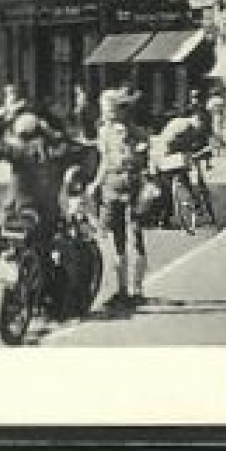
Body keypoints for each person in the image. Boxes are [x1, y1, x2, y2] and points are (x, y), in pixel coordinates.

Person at [0, 104, 96, 317]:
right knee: (50, 259)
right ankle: (49, 304)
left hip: (11, 217)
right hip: (43, 219)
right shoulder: (60, 152)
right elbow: (90, 151)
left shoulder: (19, 152)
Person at [88, 94, 152, 311]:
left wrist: (145, 182)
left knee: (135, 234)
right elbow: (104, 161)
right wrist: (96, 183)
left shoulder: (137, 132)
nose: (105, 112)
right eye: (104, 108)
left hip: (133, 185)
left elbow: (143, 162)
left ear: (119, 110)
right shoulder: (104, 132)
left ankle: (137, 289)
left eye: (108, 108)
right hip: (112, 185)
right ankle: (122, 289)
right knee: (118, 237)